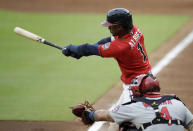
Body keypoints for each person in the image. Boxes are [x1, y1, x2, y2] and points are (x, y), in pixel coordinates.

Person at [62, 8, 152, 104]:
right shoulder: (133, 29)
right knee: (119, 114)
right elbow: (107, 40)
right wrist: (81, 53)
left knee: (125, 117)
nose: (108, 28)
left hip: (135, 86)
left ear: (120, 27)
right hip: (145, 78)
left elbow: (88, 49)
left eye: (111, 26)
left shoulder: (121, 47)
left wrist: (72, 48)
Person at [72, 74, 193, 131]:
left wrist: (89, 114)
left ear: (139, 91)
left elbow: (103, 115)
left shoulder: (133, 107)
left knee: (125, 126)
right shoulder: (177, 103)